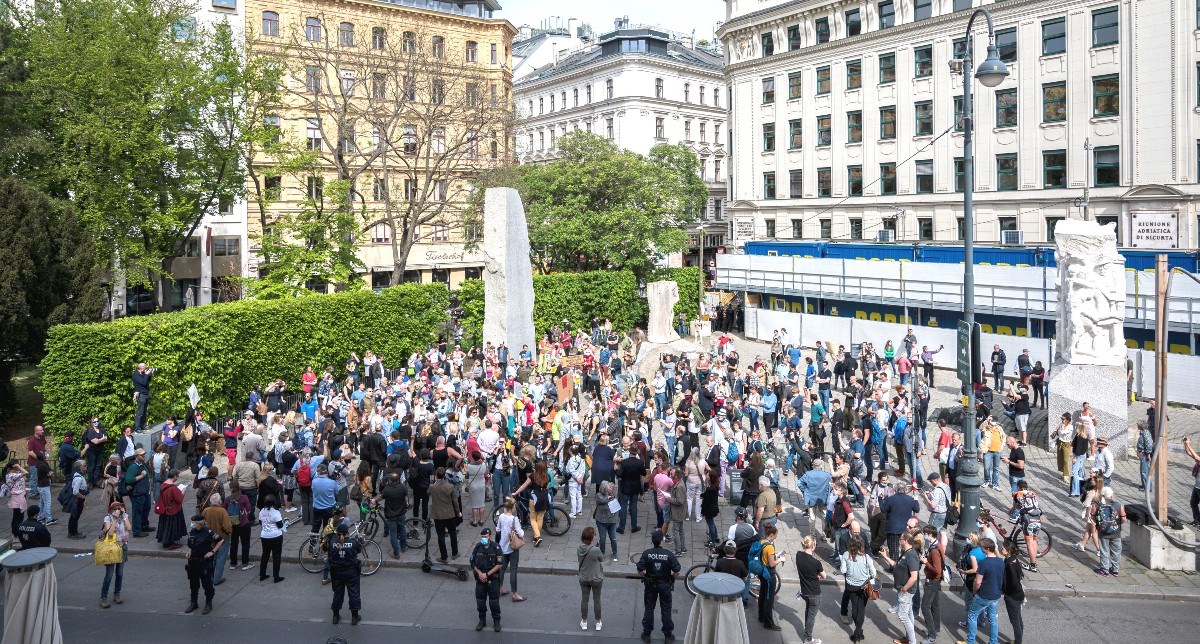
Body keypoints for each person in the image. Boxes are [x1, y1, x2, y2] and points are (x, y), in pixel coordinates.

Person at [636, 529, 680, 643]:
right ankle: (668, 635)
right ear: (661, 541)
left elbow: (640, 570)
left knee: (649, 608)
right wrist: (672, 578)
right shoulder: (669, 555)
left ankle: (647, 634)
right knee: (666, 609)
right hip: (665, 584)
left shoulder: (647, 553)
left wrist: (646, 576)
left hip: (650, 584)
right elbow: (677, 571)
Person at [878, 531, 921, 644]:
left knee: (902, 615)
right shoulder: (906, 553)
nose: (899, 541)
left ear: (905, 541)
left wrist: (904, 589)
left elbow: (914, 577)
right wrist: (885, 557)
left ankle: (912, 641)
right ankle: (909, 638)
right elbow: (896, 565)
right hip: (905, 590)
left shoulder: (911, 555)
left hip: (906, 591)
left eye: (900, 539)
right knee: (909, 614)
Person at [963, 538, 1003, 644]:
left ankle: (970, 641)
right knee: (993, 619)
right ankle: (993, 641)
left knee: (972, 616)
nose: (981, 549)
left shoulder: (984, 563)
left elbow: (977, 581)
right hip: (996, 595)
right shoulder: (1000, 561)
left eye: (982, 548)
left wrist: (975, 592)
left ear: (987, 549)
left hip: (984, 595)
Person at [838, 535, 876, 642]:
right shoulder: (866, 557)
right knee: (861, 609)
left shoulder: (846, 555)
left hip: (851, 586)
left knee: (854, 608)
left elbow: (843, 570)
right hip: (864, 586)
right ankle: (858, 631)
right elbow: (874, 573)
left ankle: (857, 631)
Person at [184, 513, 222, 615]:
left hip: (204, 563)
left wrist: (212, 552)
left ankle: (208, 603)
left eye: (193, 522)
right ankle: (194, 602)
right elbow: (193, 545)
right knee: (193, 584)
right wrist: (189, 552)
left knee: (207, 584)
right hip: (193, 562)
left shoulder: (208, 532)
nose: (192, 524)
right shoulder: (192, 531)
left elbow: (220, 540)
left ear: (198, 523)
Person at [328, 522, 363, 624]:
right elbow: (359, 550)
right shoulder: (353, 542)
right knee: (354, 593)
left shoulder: (332, 543)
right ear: (347, 532)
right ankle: (354, 617)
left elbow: (326, 550)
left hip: (336, 572)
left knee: (338, 593)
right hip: (351, 572)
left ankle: (335, 616)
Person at [470, 527, 504, 632]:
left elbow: (499, 564)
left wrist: (487, 574)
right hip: (480, 579)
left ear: (490, 536)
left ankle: (496, 622)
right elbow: (472, 562)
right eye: (482, 536)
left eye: (485, 536)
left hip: (492, 579)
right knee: (480, 601)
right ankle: (482, 621)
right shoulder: (478, 547)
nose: (483, 538)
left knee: (494, 602)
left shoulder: (496, 547)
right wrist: (480, 573)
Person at [99, 501, 131, 608]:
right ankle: (103, 598)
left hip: (123, 547)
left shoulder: (125, 516)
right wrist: (115, 519)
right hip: (111, 549)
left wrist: (124, 515)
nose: (117, 510)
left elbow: (129, 528)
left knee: (120, 573)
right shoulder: (108, 518)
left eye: (119, 508)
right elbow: (110, 533)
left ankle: (117, 594)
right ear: (111, 510)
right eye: (115, 508)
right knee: (109, 575)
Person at [794, 534, 825, 644]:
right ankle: (808, 638)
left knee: (808, 612)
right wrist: (817, 576)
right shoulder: (816, 562)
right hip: (814, 593)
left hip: (804, 592)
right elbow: (824, 575)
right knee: (811, 616)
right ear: (813, 546)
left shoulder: (798, 555)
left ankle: (807, 631)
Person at [1091, 486, 1126, 577]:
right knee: (1116, 551)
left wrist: (1099, 525)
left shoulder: (1097, 505)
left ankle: (1104, 570)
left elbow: (1092, 518)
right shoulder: (1118, 505)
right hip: (1116, 532)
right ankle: (1115, 570)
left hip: (1103, 532)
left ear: (1102, 495)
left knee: (1104, 550)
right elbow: (1124, 519)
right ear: (1112, 495)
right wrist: (1116, 524)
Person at [200, 492, 233, 586]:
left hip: (210, 538)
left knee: (212, 557)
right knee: (220, 558)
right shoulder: (222, 511)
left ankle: (211, 576)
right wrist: (229, 533)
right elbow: (227, 527)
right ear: (219, 501)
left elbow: (202, 524)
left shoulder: (206, 510)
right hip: (222, 538)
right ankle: (217, 578)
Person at [496, 496, 525, 602]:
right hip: (512, 548)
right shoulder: (514, 519)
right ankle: (515, 594)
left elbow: (498, 529)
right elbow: (521, 533)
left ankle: (499, 588)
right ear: (513, 508)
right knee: (513, 571)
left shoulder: (501, 516)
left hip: (502, 547)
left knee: (501, 569)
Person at [920, 525, 945, 644]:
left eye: (925, 534)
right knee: (934, 605)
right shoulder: (937, 544)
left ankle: (931, 636)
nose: (924, 536)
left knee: (925, 607)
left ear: (930, 534)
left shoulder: (934, 550)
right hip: (935, 580)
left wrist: (925, 562)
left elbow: (937, 570)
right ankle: (935, 628)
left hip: (933, 580)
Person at [577, 526, 605, 631]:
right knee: (597, 600)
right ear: (591, 538)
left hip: (583, 578)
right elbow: (601, 559)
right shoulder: (595, 550)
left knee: (585, 599)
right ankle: (598, 622)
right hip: (596, 578)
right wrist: (595, 548)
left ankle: (584, 622)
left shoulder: (579, 549)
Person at [430, 467, 460, 562]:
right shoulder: (449, 486)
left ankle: (444, 556)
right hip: (449, 514)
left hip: (438, 515)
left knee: (441, 536)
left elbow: (428, 492)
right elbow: (455, 501)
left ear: (436, 476)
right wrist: (458, 512)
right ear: (444, 476)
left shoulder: (432, 486)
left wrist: (432, 482)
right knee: (453, 533)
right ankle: (454, 553)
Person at [378, 471, 409, 558]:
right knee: (402, 529)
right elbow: (406, 498)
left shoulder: (387, 490)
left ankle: (396, 553)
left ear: (390, 480)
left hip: (391, 514)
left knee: (393, 534)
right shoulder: (403, 488)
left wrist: (374, 500)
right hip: (401, 513)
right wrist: (406, 505)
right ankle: (403, 547)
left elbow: (380, 497)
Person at [124, 448, 153, 537]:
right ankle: (137, 531)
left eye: (144, 454)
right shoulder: (133, 466)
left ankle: (144, 526)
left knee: (146, 509)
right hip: (138, 493)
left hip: (145, 492)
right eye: (141, 455)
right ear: (136, 456)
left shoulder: (142, 464)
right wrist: (141, 476)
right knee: (137, 512)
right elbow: (129, 479)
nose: (143, 456)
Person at [155, 470, 186, 550]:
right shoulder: (173, 488)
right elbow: (179, 499)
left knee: (165, 526)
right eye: (177, 476)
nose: (177, 478)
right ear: (175, 476)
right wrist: (183, 492)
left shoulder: (163, 484)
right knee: (172, 527)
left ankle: (166, 541)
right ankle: (172, 543)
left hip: (164, 510)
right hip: (172, 510)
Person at [226, 482, 254, 571]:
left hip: (233, 524)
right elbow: (249, 509)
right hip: (244, 524)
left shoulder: (228, 499)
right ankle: (245, 563)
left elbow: (224, 510)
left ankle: (233, 563)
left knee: (233, 544)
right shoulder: (244, 498)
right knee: (245, 543)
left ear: (231, 488)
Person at [258, 494, 285, 583]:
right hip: (276, 536)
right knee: (276, 556)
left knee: (265, 555)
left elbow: (260, 522)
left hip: (264, 536)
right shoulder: (276, 512)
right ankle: (276, 576)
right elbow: (280, 525)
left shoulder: (262, 511)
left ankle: (262, 574)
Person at [1002, 544, 1025, 644]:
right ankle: (1018, 640)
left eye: (1003, 548)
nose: (1001, 549)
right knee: (1018, 619)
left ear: (1009, 551)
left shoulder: (1009, 564)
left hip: (1012, 597)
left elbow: (1014, 583)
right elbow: (1020, 575)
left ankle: (1018, 642)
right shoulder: (1013, 559)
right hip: (1019, 595)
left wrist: (1006, 593)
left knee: (1015, 622)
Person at [593, 480, 619, 562]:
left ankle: (615, 554)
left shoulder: (612, 495)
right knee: (603, 538)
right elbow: (602, 501)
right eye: (609, 487)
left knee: (613, 538)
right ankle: (602, 553)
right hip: (601, 521)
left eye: (611, 487)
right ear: (604, 489)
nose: (611, 489)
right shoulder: (599, 496)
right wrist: (608, 498)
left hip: (612, 521)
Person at [65, 460, 89, 539]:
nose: (86, 467)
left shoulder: (79, 475)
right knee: (75, 516)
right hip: (77, 500)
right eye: (85, 466)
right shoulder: (79, 478)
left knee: (74, 516)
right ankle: (73, 533)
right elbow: (75, 491)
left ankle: (72, 532)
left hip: (78, 499)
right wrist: (82, 497)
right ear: (81, 468)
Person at [5, 462, 29, 536]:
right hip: (17, 496)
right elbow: (26, 472)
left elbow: (25, 478)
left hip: (20, 495)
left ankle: (16, 531)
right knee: (18, 514)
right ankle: (17, 531)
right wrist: (19, 467)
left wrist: (19, 469)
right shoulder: (12, 475)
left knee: (18, 514)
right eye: (18, 465)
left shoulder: (16, 474)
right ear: (14, 466)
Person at [132, 362, 154, 433]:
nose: (146, 369)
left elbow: (147, 381)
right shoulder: (136, 375)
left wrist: (150, 375)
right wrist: (146, 374)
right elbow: (143, 382)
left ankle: (143, 426)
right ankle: (137, 428)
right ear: (141, 368)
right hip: (141, 395)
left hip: (145, 395)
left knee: (144, 412)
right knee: (140, 412)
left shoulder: (143, 374)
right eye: (145, 368)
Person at [1185, 437, 1200, 527]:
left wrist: (1189, 445)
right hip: (1197, 486)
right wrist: (1185, 444)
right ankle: (1197, 521)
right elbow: (1188, 453)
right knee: (1193, 503)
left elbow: (1197, 458)